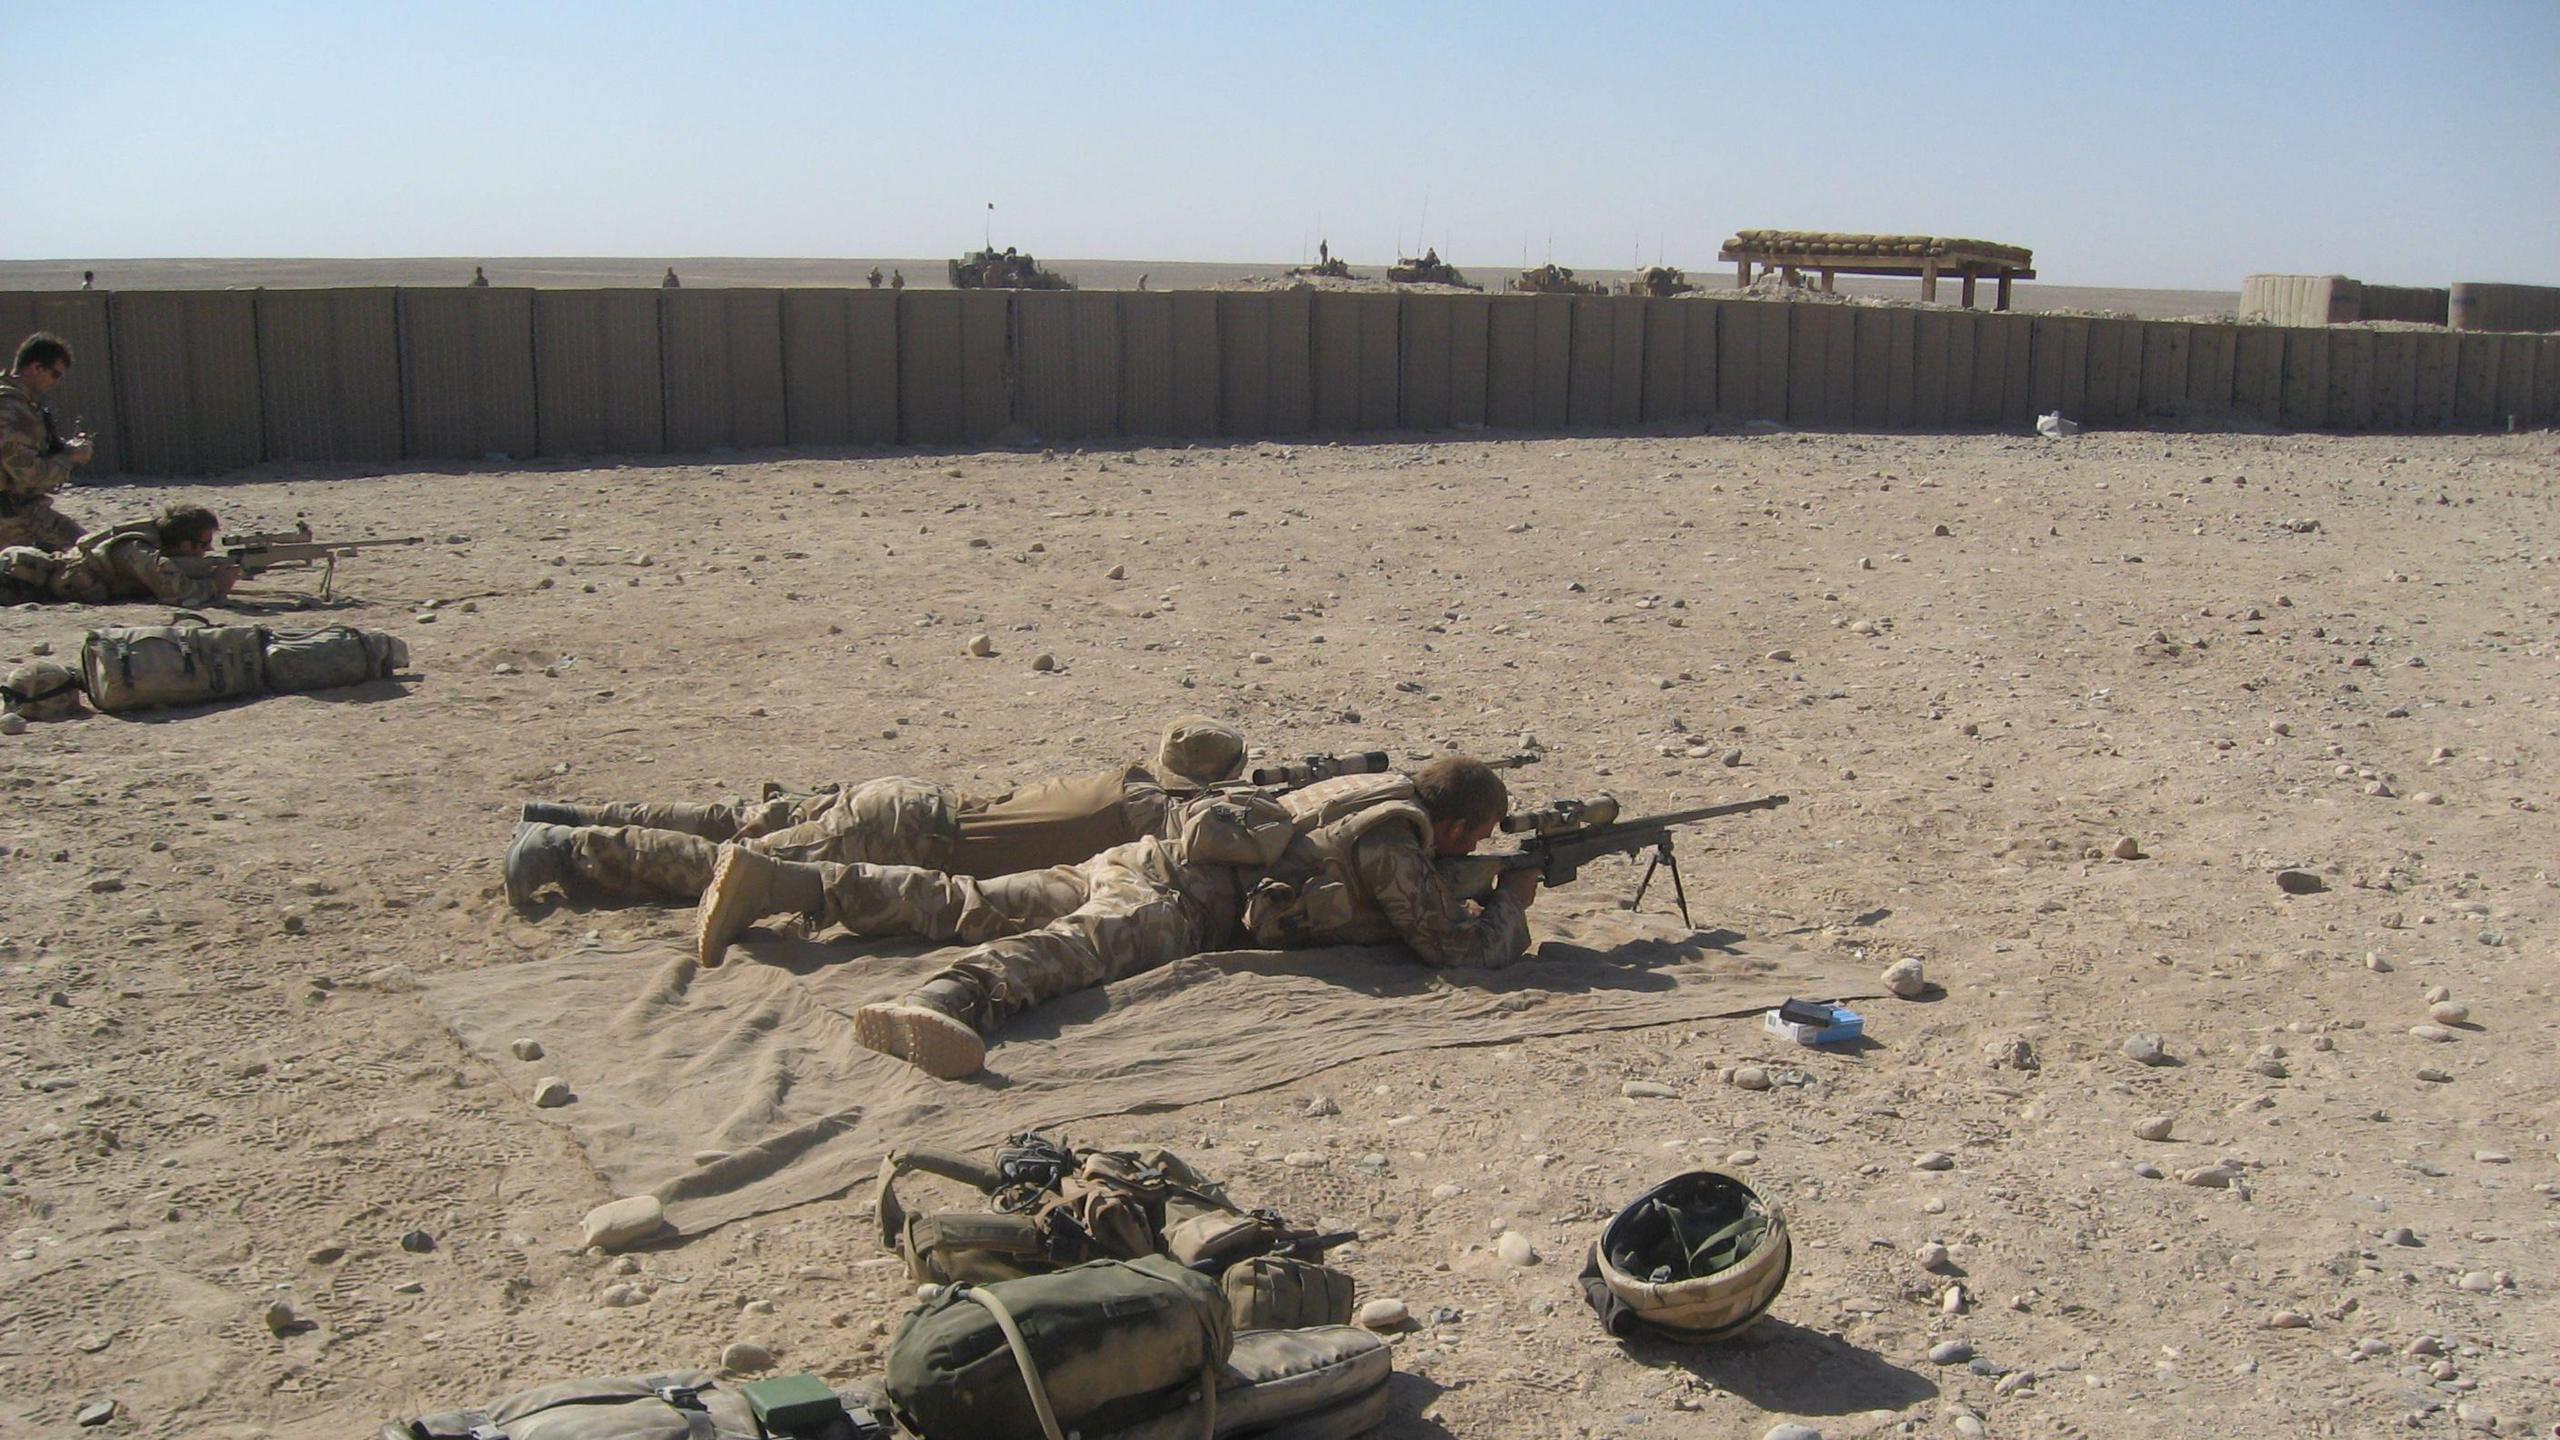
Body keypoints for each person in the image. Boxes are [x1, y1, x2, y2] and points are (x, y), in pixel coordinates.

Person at [733, 757, 1538, 1080]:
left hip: (1144, 859)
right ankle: (945, 1002)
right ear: (1463, 825)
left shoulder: (1371, 788)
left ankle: (787, 884)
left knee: (967, 902)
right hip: (1178, 907)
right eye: (1480, 836)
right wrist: (1508, 907)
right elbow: (1448, 949)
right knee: (1065, 953)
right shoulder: (1394, 837)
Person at [507, 717, 1249, 924]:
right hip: (901, 832)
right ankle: (566, 847)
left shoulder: (1127, 779)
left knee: (733, 823)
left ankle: (571, 812)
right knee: (729, 866)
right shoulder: (1148, 813)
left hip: (908, 802)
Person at [0, 334, 94, 550]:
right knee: (89, 556)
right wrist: (70, 457)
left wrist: (64, 449)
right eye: (55, 374)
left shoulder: (20, 405)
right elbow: (29, 473)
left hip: (18, 509)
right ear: (36, 368)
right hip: (13, 515)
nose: (56, 382)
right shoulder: (11, 410)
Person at [43, 503, 240, 606]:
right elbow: (176, 593)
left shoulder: (155, 541)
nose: (208, 550)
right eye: (204, 544)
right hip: (32, 582)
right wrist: (215, 585)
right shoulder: (137, 550)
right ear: (185, 545)